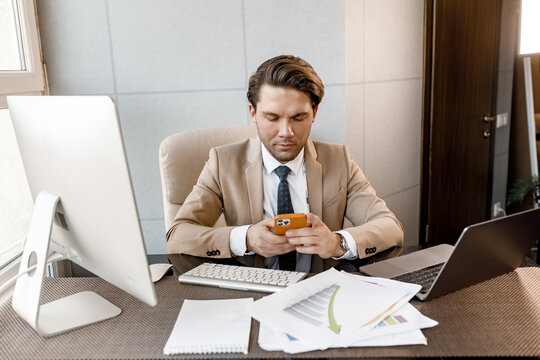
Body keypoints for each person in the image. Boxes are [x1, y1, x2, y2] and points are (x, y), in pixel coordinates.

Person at [166, 55, 403, 273]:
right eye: (272, 118)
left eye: (298, 118)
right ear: (253, 113)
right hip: (252, 291)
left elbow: (390, 227)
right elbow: (178, 234)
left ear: (314, 113)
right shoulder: (222, 163)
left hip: (319, 288)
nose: (286, 132)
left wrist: (337, 243)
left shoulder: (338, 160)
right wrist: (245, 238)